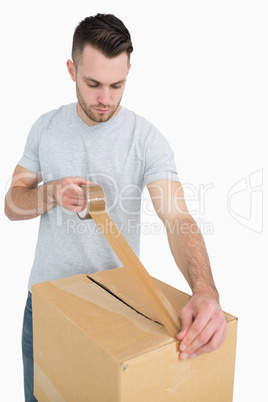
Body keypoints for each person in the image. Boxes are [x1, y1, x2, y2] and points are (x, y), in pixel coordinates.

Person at [5, 13, 228, 401]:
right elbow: (12, 203)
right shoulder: (45, 127)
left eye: (117, 84)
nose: (105, 99)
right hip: (43, 309)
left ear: (129, 72)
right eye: (92, 84)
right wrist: (52, 192)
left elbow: (176, 217)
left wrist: (205, 289)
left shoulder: (146, 140)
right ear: (72, 70)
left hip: (114, 316)